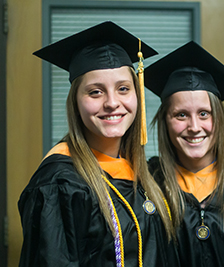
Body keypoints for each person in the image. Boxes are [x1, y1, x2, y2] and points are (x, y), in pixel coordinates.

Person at [18, 21, 179, 267]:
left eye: (123, 88)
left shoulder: (142, 174)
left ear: (137, 95)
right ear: (76, 102)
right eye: (95, 92)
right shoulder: (60, 183)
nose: (112, 102)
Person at [145, 41, 224, 267]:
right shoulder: (148, 184)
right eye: (181, 115)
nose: (194, 126)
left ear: (220, 119)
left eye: (204, 114)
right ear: (165, 121)